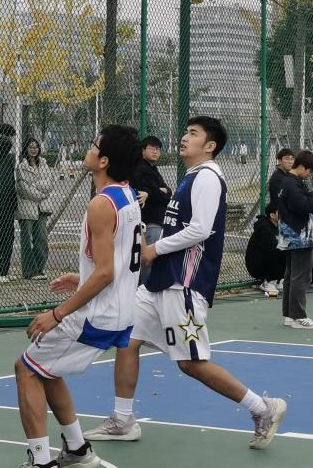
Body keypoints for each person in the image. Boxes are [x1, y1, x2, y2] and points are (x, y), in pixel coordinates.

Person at [85, 117, 287, 450]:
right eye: (185, 131)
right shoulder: (192, 176)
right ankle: (122, 420)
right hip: (162, 281)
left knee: (191, 363)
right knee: (126, 340)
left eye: (193, 134)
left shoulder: (207, 177)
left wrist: (154, 249)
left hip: (184, 282)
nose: (184, 137)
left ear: (210, 146)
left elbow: (200, 229)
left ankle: (262, 408)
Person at [14, 125, 143, 468]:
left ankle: (40, 461)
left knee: (26, 369)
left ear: (104, 161)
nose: (88, 148)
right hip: (121, 311)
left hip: (95, 315)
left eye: (93, 145)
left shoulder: (101, 204)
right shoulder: (128, 195)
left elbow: (105, 272)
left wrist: (56, 314)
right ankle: (77, 449)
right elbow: (120, 258)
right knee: (46, 368)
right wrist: (81, 276)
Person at [277, 150, 313, 329]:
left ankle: (290, 315)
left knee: (291, 276)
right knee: (300, 276)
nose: (309, 175)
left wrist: (311, 193)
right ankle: (298, 316)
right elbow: (304, 206)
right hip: (299, 235)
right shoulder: (293, 183)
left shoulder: (287, 181)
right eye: (310, 171)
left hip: (292, 234)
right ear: (303, 167)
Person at [130, 135, 171, 284]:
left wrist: (158, 192)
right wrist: (160, 191)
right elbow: (161, 194)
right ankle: (145, 291)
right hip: (149, 222)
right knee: (148, 261)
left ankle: (145, 290)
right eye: (152, 148)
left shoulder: (152, 168)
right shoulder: (141, 169)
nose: (155, 151)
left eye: (158, 149)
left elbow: (167, 191)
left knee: (149, 260)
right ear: (142, 150)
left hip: (154, 222)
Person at [16, 137, 54, 280]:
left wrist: (35, 186)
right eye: (31, 147)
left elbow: (49, 183)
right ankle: (29, 271)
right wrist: (41, 192)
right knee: (28, 240)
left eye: (36, 147)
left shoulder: (44, 164)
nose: (33, 149)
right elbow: (23, 188)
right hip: (27, 207)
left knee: (42, 239)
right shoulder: (21, 166)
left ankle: (39, 268)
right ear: (26, 149)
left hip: (42, 208)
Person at [0, 123, 18, 281]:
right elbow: (6, 143)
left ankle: (2, 270)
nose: (11, 140)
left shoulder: (5, 153)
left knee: (8, 235)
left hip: (8, 198)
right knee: (2, 234)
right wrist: (0, 137)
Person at [244, 209, 285, 295]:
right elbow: (273, 246)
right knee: (278, 250)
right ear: (272, 215)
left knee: (290, 250)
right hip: (257, 265)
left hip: (270, 260)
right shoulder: (263, 227)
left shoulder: (281, 225)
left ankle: (278, 280)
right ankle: (267, 281)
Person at [266, 149, 294, 214]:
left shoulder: (285, 175)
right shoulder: (278, 178)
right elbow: (280, 200)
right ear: (279, 161)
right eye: (287, 159)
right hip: (279, 214)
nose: (290, 162)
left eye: (292, 159)